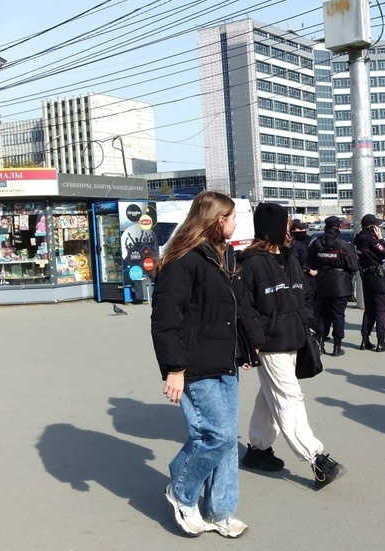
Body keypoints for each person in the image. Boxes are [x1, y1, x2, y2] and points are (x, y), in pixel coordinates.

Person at [150, 191, 263, 539]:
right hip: (195, 365)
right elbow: (166, 320)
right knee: (218, 436)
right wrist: (174, 369)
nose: (235, 223)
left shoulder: (219, 256)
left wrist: (243, 350)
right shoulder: (183, 261)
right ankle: (182, 491)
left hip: (224, 362)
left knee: (227, 442)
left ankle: (220, 511)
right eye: (232, 217)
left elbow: (226, 312)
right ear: (218, 221)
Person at [238, 203, 346, 488]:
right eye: (286, 225)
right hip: (270, 344)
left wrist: (308, 324)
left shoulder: (290, 258)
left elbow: (304, 295)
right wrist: (255, 341)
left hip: (295, 337)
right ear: (272, 228)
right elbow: (244, 308)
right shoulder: (251, 263)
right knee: (289, 396)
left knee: (270, 394)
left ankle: (258, 449)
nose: (292, 229)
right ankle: (317, 459)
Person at [308, 216, 360, 356]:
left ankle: (320, 344)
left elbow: (310, 263)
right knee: (338, 315)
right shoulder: (343, 244)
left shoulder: (317, 243)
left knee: (322, 315)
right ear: (338, 227)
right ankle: (337, 347)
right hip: (340, 284)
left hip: (322, 283)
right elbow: (354, 266)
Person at [354, 213, 385, 352]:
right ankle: (381, 342)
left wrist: (382, 243)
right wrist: (381, 240)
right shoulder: (371, 239)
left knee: (369, 309)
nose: (379, 227)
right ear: (371, 227)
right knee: (381, 310)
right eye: (377, 225)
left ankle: (365, 340)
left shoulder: (359, 238)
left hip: (366, 277)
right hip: (377, 277)